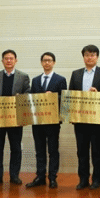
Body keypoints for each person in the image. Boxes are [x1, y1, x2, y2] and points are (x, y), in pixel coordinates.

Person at [69, 44, 100, 190]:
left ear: (97, 57)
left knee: (97, 151)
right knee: (81, 151)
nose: (90, 57)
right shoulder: (75, 74)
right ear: (83, 57)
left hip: (97, 119)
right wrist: (70, 115)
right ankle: (83, 179)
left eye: (93, 55)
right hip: (80, 119)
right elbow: (71, 95)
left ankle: (97, 180)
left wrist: (98, 92)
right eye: (87, 55)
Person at [0, 49, 30, 187]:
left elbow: (27, 94)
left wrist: (21, 97)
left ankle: (14, 176)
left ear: (16, 60)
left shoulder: (23, 76)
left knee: (16, 148)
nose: (9, 60)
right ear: (2, 61)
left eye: (11, 58)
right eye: (6, 58)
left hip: (15, 118)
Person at [26, 52, 67, 189]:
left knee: (53, 150)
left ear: (54, 63)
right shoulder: (35, 80)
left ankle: (53, 177)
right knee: (39, 150)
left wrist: (53, 96)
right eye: (44, 60)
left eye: (49, 60)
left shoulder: (60, 79)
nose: (47, 62)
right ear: (41, 63)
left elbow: (64, 99)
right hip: (37, 121)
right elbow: (32, 98)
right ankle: (40, 176)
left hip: (53, 121)